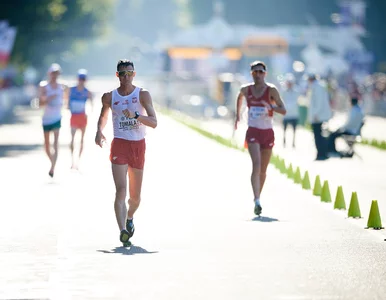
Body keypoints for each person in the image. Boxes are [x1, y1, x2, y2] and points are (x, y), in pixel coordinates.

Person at [95, 59, 157, 246]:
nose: (126, 77)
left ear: (134, 74)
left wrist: (137, 115)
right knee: (120, 190)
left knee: (135, 197)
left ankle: (130, 217)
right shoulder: (109, 97)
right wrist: (99, 131)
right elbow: (103, 117)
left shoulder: (142, 94)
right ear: (117, 75)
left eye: (129, 73)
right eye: (122, 74)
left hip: (138, 146)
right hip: (120, 144)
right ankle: (122, 230)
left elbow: (154, 122)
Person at [234, 61, 286, 216]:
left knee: (263, 169)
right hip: (253, 132)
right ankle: (256, 200)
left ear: (265, 73)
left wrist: (271, 107)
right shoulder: (246, 89)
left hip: (267, 132)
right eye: (255, 72)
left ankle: (259, 196)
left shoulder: (271, 90)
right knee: (256, 165)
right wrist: (237, 116)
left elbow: (283, 110)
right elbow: (239, 97)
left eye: (260, 72)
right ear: (251, 74)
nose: (258, 75)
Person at [38, 63, 67, 177]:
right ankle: (52, 162)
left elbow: (66, 99)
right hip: (46, 118)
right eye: (53, 73)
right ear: (49, 74)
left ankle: (53, 167)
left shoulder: (62, 86)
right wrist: (49, 98)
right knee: (46, 145)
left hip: (57, 117)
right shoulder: (44, 86)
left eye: (57, 73)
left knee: (55, 143)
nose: (54, 76)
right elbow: (39, 103)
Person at [68, 69, 93, 169]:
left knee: (82, 139)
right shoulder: (71, 89)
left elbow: (91, 105)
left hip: (82, 117)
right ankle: (72, 161)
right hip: (74, 116)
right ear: (77, 79)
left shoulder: (87, 92)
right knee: (72, 139)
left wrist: (88, 113)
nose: (81, 81)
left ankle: (78, 161)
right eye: (80, 78)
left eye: (83, 79)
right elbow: (67, 101)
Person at [307, 73, 332, 160]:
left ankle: (321, 154)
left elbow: (319, 102)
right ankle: (321, 153)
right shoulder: (317, 86)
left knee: (318, 136)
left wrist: (315, 114)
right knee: (319, 135)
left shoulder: (317, 87)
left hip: (318, 116)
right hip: (318, 116)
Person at [281, 73, 300, 147]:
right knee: (284, 129)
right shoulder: (284, 91)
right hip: (286, 114)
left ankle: (293, 143)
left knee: (294, 130)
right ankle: (284, 142)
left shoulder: (296, 91)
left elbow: (296, 101)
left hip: (294, 113)